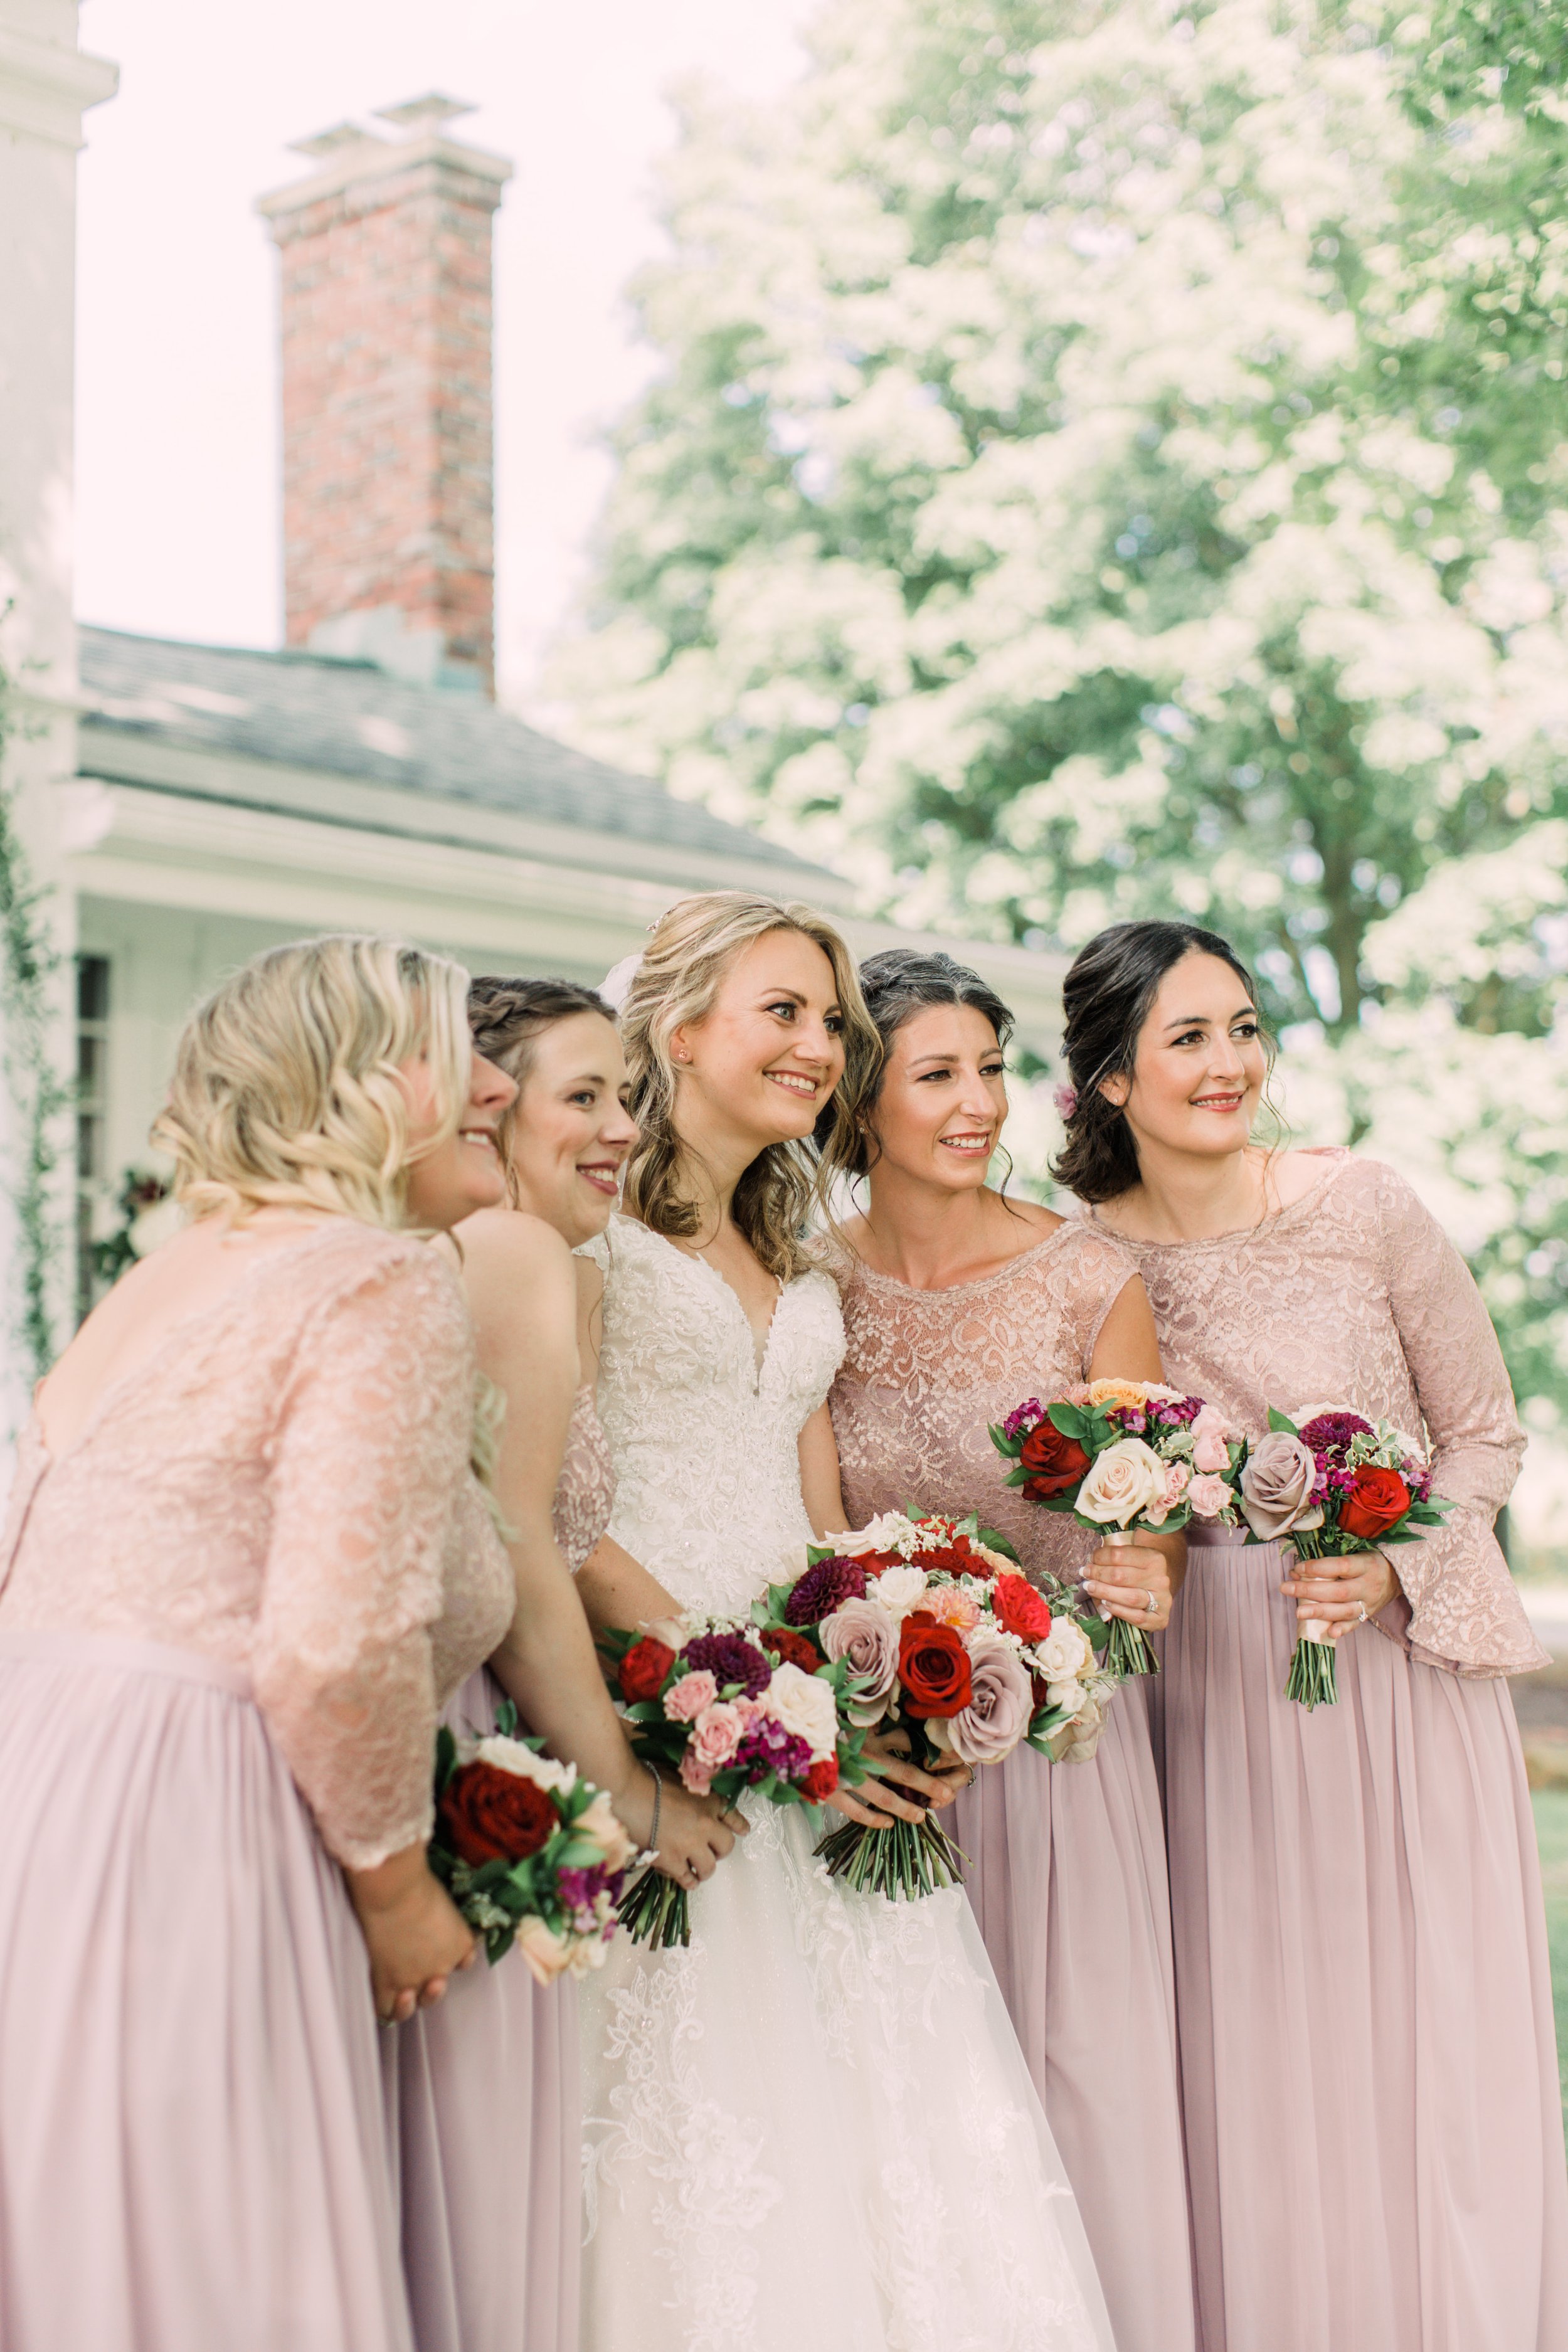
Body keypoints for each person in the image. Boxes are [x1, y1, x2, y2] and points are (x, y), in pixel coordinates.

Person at [571, 891, 1116, 2352]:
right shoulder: (587, 1223)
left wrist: (861, 1687)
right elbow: (556, 1509)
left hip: (808, 1724)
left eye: (830, 1019)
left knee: (887, 2135)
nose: (820, 1044)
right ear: (678, 1029)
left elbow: (819, 1526)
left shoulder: (793, 1246)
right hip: (659, 1701)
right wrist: (742, 1701)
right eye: (784, 1011)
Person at [0, 935, 519, 2352]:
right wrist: (399, 1887)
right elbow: (334, 1646)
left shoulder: (161, 1284)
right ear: (352, 1084)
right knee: (217, 2253)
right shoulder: (371, 1278)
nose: (494, 1083)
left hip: (41, 1794)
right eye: (455, 1047)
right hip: (196, 1812)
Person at [1062, 917, 1568, 2352]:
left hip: (1389, 1674)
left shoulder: (1363, 1203)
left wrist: (1398, 1559)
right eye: (1186, 1038)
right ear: (1106, 1079)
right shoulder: (1080, 1257)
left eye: (1242, 1028)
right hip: (1199, 1688)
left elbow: (1481, 1431)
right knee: (1246, 2046)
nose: (1229, 1065)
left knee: (1413, 2040)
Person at [820, 945, 1195, 2352]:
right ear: (860, 1102)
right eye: (937, 1075)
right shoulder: (806, 1287)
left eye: (990, 1067)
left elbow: (1141, 1524)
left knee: (1072, 2090)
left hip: (1055, 1757)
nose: (978, 1101)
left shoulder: (1086, 1276)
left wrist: (1136, 1569)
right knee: (896, 2123)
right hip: (875, 1763)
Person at [387, 977, 738, 2352]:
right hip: (487, 1735)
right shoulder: (513, 1253)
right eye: (579, 1096)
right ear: (489, 1101)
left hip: (491, 1712)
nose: (619, 1129)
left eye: (627, 1098)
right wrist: (631, 1801)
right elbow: (526, 1551)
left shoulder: (515, 1255)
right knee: (480, 2164)